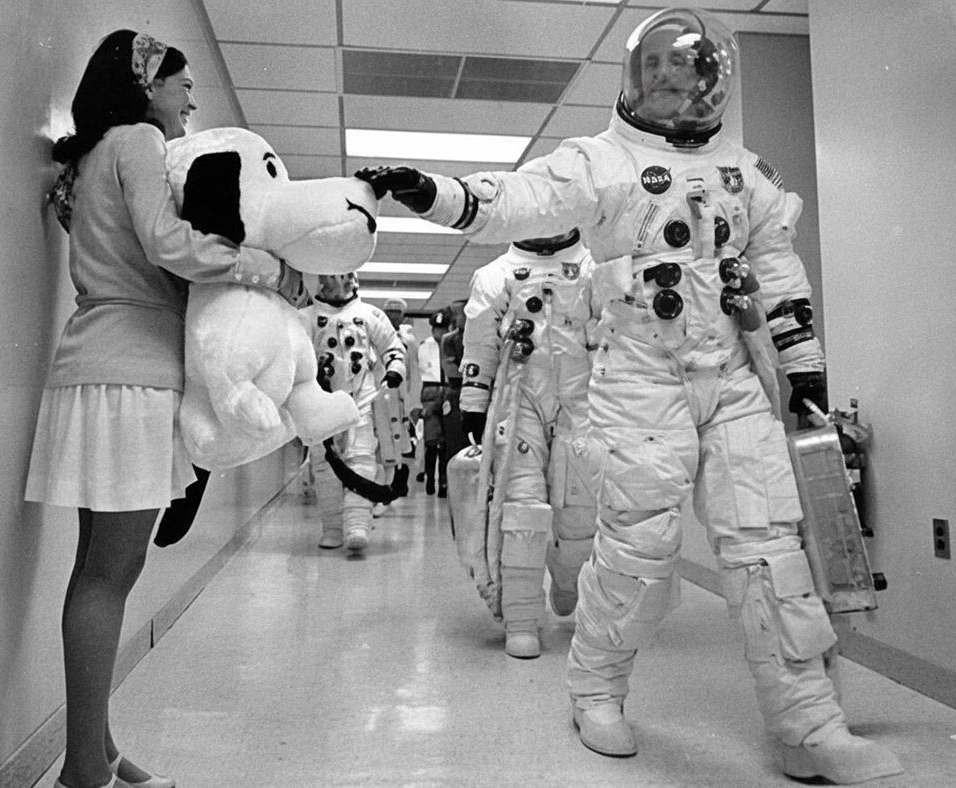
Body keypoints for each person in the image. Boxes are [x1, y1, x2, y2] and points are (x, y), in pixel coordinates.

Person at [355, 7, 903, 784]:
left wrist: (803, 362)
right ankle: (595, 690)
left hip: (732, 378)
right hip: (638, 380)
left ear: (712, 82)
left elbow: (777, 268)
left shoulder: (744, 173)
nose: (674, 83)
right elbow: (518, 199)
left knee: (770, 550)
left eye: (689, 71)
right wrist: (435, 194)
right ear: (637, 79)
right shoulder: (603, 162)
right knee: (638, 549)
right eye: (660, 70)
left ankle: (810, 726)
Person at [25, 30, 307, 788]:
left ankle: (98, 750)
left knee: (96, 572)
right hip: (133, 378)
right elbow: (167, 243)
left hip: (94, 368)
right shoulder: (138, 141)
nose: (190, 102)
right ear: (147, 85)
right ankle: (83, 769)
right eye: (183, 87)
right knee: (108, 577)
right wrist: (264, 268)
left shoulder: (93, 157)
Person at [459, 230, 599, 659]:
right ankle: (521, 620)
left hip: (583, 398)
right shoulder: (496, 275)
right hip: (519, 396)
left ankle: (568, 578)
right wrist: (474, 400)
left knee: (581, 505)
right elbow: (480, 341)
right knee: (521, 506)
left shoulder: (594, 267)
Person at [298, 272, 406, 554]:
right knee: (324, 466)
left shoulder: (370, 315)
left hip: (363, 401)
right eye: (333, 276)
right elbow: (293, 357)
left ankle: (357, 524)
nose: (340, 281)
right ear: (320, 280)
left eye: (345, 275)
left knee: (361, 458)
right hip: (322, 402)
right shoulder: (306, 318)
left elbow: (392, 347)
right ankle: (332, 527)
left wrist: (394, 371)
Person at [374, 296, 421, 512]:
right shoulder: (375, 334)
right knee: (374, 446)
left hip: (399, 400)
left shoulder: (408, 341)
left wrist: (414, 404)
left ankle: (386, 495)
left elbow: (414, 373)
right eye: (389, 311)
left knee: (394, 448)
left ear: (403, 315)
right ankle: (373, 493)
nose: (393, 315)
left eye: (397, 312)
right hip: (376, 397)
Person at [417, 310, 450, 495]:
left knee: (445, 441)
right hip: (430, 392)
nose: (440, 332)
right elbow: (418, 375)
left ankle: (443, 481)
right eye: (437, 329)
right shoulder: (424, 347)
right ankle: (430, 479)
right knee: (431, 441)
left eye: (443, 328)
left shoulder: (453, 343)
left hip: (448, 391)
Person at [437, 299, 469, 496]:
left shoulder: (479, 337)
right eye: (456, 314)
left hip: (474, 390)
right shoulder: (449, 339)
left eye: (461, 313)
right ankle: (451, 483)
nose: (458, 318)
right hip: (456, 390)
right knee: (452, 440)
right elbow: (451, 367)